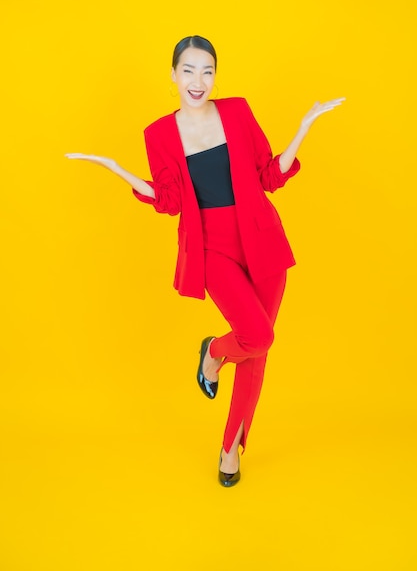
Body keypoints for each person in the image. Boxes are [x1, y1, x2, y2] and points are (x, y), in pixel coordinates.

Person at [66, 35, 344, 487]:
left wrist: (302, 129)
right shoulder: (158, 134)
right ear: (174, 74)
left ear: (216, 75)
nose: (199, 81)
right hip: (212, 247)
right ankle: (213, 351)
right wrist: (119, 170)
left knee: (258, 351)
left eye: (208, 71)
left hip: (262, 239)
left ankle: (230, 447)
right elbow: (172, 201)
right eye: (189, 71)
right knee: (257, 335)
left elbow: (268, 176)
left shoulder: (236, 111)